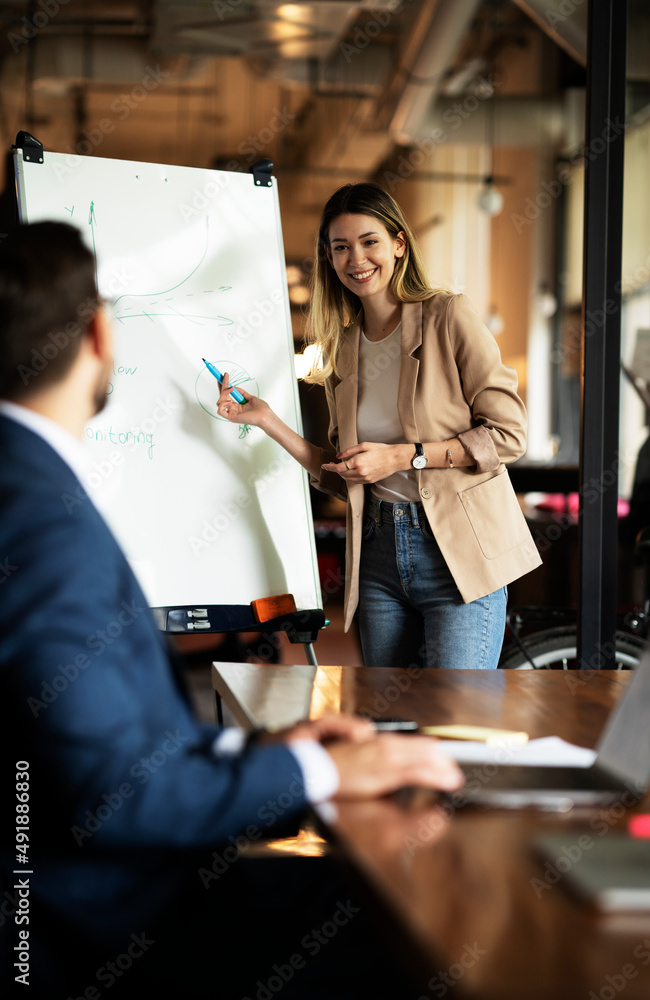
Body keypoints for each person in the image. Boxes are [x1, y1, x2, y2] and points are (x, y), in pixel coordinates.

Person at [0, 221, 463, 998]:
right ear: (96, 332)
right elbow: (116, 797)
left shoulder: (31, 487)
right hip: (100, 927)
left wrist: (267, 753)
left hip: (94, 893)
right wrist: (314, 768)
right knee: (418, 926)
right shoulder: (41, 522)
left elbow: (91, 744)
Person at [218, 182, 542, 669]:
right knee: (389, 722)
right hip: (377, 555)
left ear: (398, 244)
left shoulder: (447, 317)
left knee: (452, 719)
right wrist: (267, 422)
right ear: (328, 259)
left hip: (458, 552)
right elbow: (340, 473)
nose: (356, 259)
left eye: (369, 241)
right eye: (341, 247)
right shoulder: (342, 348)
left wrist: (403, 455)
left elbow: (509, 433)